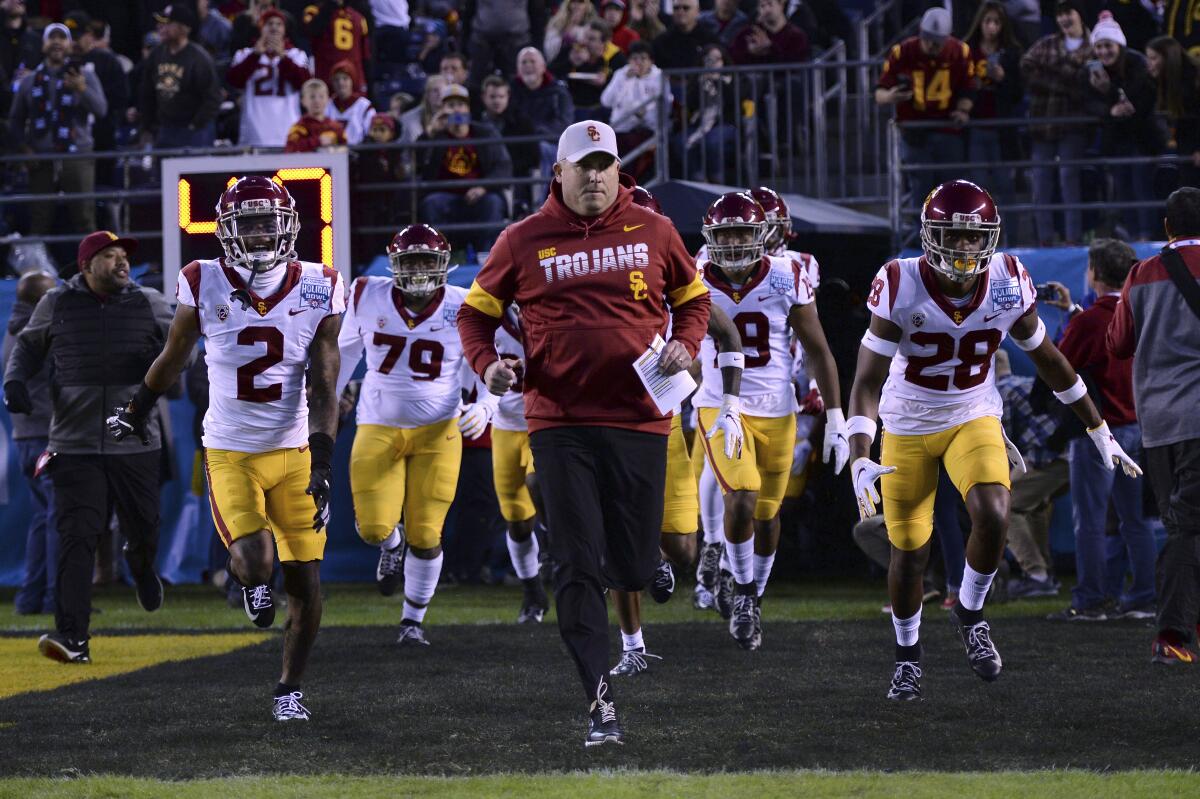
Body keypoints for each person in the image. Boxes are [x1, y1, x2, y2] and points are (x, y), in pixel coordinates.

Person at [457, 120, 710, 746]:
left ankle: (638, 560)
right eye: (584, 165)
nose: (596, 176)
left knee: (628, 566)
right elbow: (473, 314)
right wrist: (488, 366)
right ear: (560, 173)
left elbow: (695, 300)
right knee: (575, 565)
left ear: (618, 169)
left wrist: (686, 342)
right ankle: (600, 701)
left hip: (639, 416)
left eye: (606, 164)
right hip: (559, 420)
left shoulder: (655, 228)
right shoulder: (523, 239)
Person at [847, 179, 1141, 700]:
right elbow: (867, 380)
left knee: (995, 511)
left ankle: (972, 613)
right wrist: (859, 456)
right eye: (952, 237)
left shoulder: (1008, 278)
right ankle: (908, 658)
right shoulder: (900, 281)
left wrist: (1098, 426)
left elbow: (1051, 361)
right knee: (909, 551)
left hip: (972, 413)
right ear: (929, 236)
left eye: (972, 237)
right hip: (909, 423)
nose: (963, 248)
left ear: (991, 237)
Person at [109, 176, 345, 718]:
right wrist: (137, 406)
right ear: (227, 230)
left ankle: (289, 689)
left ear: (287, 225)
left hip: (294, 451)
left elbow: (326, 384)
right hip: (231, 450)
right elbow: (173, 357)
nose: (261, 232)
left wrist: (325, 458)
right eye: (250, 221)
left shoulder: (320, 283)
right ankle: (250, 584)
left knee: (305, 580)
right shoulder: (203, 280)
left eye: (269, 220)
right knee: (257, 563)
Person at [5, 231, 176, 665]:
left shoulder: (150, 302)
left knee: (144, 529)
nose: (122, 263)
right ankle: (73, 638)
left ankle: (139, 567)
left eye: (124, 256)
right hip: (74, 442)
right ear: (85, 266)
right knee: (74, 537)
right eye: (110, 256)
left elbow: (183, 348)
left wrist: (165, 367)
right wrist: (13, 382)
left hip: (134, 440)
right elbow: (26, 345)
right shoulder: (56, 303)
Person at [693, 191, 847, 650]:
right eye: (727, 234)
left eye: (744, 232)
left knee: (767, 515)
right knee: (740, 497)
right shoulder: (694, 277)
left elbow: (817, 348)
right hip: (720, 406)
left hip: (779, 409)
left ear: (764, 235)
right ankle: (740, 589)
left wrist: (836, 414)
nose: (737, 243)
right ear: (710, 239)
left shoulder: (785, 275)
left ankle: (752, 595)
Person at [609, 179, 744, 675]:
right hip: (600, 426)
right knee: (617, 545)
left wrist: (724, 398)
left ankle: (651, 555)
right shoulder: (586, 278)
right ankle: (632, 647)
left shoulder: (673, 282)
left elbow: (724, 335)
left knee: (684, 548)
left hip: (661, 426)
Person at [336, 224, 494, 643]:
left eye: (428, 261)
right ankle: (391, 545)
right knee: (371, 527)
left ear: (444, 265)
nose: (421, 270)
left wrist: (485, 407)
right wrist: (328, 400)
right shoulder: (366, 293)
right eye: (412, 261)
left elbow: (488, 363)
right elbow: (345, 352)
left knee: (428, 534)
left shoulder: (463, 304)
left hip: (438, 431)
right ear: (395, 265)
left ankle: (412, 621)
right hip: (378, 424)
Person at [1107, 187, 1200, 665]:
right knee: (1188, 527)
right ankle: (1173, 633)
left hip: (1159, 424)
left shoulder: (1142, 274)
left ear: (1167, 227)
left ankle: (1182, 623)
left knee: (1180, 524)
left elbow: (1118, 343)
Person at [1041, 239, 1156, 620]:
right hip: (1141, 428)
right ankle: (1142, 596)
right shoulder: (1143, 312)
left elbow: (1059, 364)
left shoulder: (1088, 322)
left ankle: (1091, 599)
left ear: (1094, 273)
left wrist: (1072, 317)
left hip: (1099, 434)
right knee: (1134, 520)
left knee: (1088, 522)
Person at [485, 303, 553, 623]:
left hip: (551, 419)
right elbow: (466, 361)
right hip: (507, 423)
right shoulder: (484, 317)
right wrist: (481, 403)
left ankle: (557, 545)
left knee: (541, 483)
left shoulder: (561, 309)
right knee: (516, 519)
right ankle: (533, 591)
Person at [8, 23, 107, 238]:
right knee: (39, 219)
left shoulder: (85, 76)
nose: (56, 42)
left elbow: (101, 110)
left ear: (70, 44)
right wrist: (24, 149)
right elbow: (14, 121)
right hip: (41, 158)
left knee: (84, 219)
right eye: (51, 38)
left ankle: (91, 270)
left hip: (77, 155)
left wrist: (82, 89)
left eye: (61, 38)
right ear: (43, 45)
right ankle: (40, 270)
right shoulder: (29, 80)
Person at [875, 8, 977, 212]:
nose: (931, 45)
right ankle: (921, 237)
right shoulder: (903, 51)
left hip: (947, 129)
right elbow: (879, 94)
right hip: (915, 130)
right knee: (921, 188)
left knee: (950, 190)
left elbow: (969, 88)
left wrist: (963, 111)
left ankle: (949, 237)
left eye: (937, 41)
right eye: (928, 39)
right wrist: (891, 96)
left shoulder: (959, 51)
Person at [3, 271, 57, 615]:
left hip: (25, 435)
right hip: (45, 434)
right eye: (51, 294)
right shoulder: (36, 333)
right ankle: (57, 596)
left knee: (43, 516)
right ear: (40, 300)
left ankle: (29, 596)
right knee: (59, 515)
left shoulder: (13, 331)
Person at [1081, 13, 1163, 240]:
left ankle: (1147, 235)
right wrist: (1110, 107)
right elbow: (1087, 102)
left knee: (1141, 185)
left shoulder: (1138, 62)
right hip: (1115, 139)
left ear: (1119, 44)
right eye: (1098, 46)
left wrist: (1117, 97)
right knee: (1123, 188)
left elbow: (1143, 99)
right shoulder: (1092, 70)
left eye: (1108, 45)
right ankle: (1134, 234)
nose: (1103, 51)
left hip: (1141, 137)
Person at [1020, 0, 1092, 245]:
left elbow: (1085, 87)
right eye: (1059, 15)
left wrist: (1049, 76)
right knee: (1041, 183)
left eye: (1067, 13)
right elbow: (1026, 69)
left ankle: (1073, 239)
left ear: (1079, 14)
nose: (1063, 19)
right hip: (1043, 124)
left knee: (1068, 180)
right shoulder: (1047, 43)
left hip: (1073, 126)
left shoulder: (1093, 47)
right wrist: (1066, 82)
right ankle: (1045, 240)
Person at [416, 83, 512, 253]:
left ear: (468, 109)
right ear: (442, 109)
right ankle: (442, 256)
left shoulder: (484, 132)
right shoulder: (436, 135)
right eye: (451, 106)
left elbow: (503, 166)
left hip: (480, 194)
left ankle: (486, 257)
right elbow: (416, 163)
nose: (457, 110)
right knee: (431, 204)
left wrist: (483, 186)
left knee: (493, 203)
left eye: (460, 105)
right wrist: (429, 133)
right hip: (445, 195)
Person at [963, 1, 1023, 216]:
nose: (992, 27)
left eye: (997, 22)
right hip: (976, 126)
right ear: (980, 23)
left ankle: (1012, 237)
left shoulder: (1012, 53)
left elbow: (1018, 94)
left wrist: (1003, 79)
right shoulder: (967, 51)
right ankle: (982, 240)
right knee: (979, 187)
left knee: (1006, 186)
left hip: (1002, 128)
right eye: (988, 21)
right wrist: (973, 86)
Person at [139, 4, 221, 149]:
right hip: (165, 129)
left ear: (184, 28)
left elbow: (213, 98)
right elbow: (147, 92)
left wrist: (195, 125)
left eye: (167, 24)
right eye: (160, 23)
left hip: (193, 131)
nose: (160, 27)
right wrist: (148, 125)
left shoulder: (198, 58)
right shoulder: (157, 54)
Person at [226, 8, 311, 147]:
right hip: (254, 130)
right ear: (261, 28)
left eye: (279, 24)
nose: (274, 27)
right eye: (269, 23)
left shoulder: (297, 55)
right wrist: (255, 56)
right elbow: (234, 81)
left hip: (287, 128)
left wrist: (283, 58)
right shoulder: (244, 54)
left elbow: (304, 83)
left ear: (285, 29)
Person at [600, 41, 670, 176]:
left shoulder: (659, 77)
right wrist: (624, 80)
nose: (639, 62)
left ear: (651, 61)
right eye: (634, 58)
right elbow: (606, 101)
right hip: (621, 127)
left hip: (649, 129)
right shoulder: (622, 74)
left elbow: (665, 108)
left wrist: (645, 115)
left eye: (643, 58)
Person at [1145, 36, 1200, 190]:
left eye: (1153, 58)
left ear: (1167, 58)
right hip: (1186, 148)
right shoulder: (1166, 81)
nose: (1148, 64)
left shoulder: (1192, 81)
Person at [462, 0, 541, 91]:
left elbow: (536, 13)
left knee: (517, 86)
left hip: (517, 42)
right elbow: (468, 12)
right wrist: (464, 46)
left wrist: (537, 46)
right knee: (476, 85)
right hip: (482, 43)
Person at [303, 0, 370, 92]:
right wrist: (330, 6)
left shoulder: (359, 17)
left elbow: (365, 54)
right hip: (326, 77)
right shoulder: (313, 11)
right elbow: (311, 31)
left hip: (353, 79)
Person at [729, 0, 809, 65]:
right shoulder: (749, 33)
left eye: (770, 4)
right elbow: (732, 58)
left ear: (781, 5)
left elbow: (795, 64)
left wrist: (771, 48)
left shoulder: (796, 35)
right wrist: (750, 52)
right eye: (762, 6)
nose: (767, 9)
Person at [285, 78, 347, 152]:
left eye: (321, 96)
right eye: (312, 97)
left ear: (327, 99)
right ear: (303, 101)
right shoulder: (299, 127)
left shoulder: (336, 127)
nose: (317, 101)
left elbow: (345, 150)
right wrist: (318, 141)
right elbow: (290, 148)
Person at [652, 0, 717, 71]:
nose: (680, 12)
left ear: (697, 11)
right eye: (676, 8)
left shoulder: (709, 39)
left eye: (686, 8)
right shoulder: (661, 41)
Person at [326, 59, 376, 144]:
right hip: (331, 154)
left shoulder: (365, 106)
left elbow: (371, 136)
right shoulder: (326, 105)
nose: (340, 83)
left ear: (352, 81)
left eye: (345, 78)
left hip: (359, 153)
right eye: (336, 79)